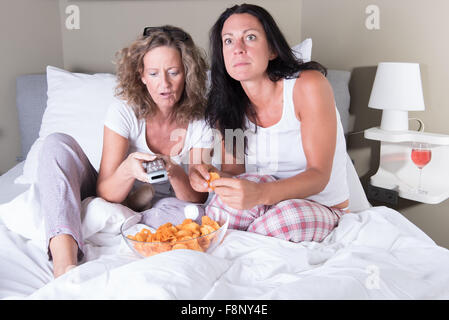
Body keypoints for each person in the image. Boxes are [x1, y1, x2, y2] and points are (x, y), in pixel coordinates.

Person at [37, 25, 212, 278]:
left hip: (162, 203)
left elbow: (197, 198)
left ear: (188, 73)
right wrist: (129, 169)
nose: (164, 84)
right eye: (153, 73)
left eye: (173, 72)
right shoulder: (124, 110)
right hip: (113, 191)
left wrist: (173, 170)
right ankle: (64, 266)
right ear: (141, 75)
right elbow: (104, 191)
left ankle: (134, 215)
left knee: (195, 214)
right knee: (56, 143)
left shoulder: (201, 120)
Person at [189, 4, 349, 243]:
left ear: (272, 49)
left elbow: (319, 175)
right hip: (264, 196)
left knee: (280, 221)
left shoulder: (308, 86)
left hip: (321, 204)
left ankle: (240, 252)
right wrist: (207, 175)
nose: (238, 49)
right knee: (219, 216)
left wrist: (260, 194)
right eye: (228, 41)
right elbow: (234, 173)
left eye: (250, 37)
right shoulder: (227, 104)